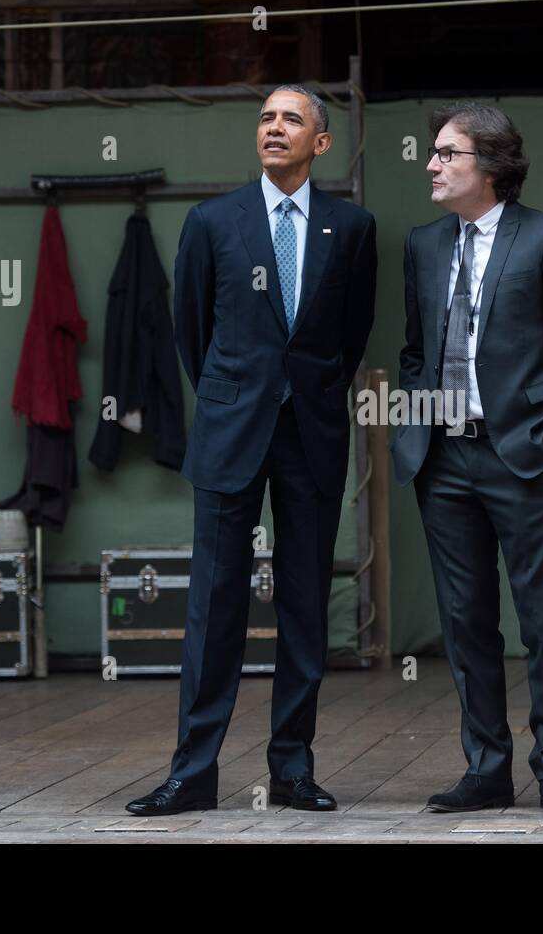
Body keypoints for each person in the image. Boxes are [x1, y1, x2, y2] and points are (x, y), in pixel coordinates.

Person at [127, 85, 377, 815]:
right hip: (232, 432)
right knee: (214, 604)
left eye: (291, 119)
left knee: (304, 603)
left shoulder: (352, 228)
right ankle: (193, 771)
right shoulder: (212, 222)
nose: (274, 128)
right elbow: (191, 332)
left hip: (314, 434)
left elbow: (348, 334)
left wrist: (311, 391)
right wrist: (238, 393)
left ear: (320, 143)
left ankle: (293, 768)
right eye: (266, 117)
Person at [391, 101, 543, 816]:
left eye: (447, 153)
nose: (432, 163)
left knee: (542, 618)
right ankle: (485, 768)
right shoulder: (423, 243)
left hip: (522, 459)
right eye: (434, 151)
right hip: (443, 461)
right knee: (465, 619)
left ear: (491, 163)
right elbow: (415, 348)